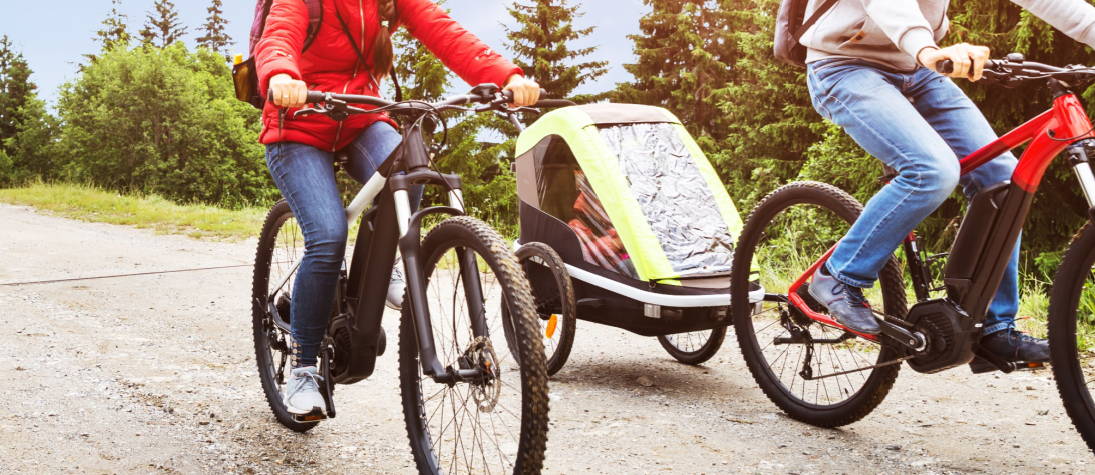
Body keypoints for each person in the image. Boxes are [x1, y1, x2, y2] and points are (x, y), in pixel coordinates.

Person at [255, 0, 540, 417]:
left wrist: (505, 76)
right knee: (328, 235)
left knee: (411, 169)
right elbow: (278, 36)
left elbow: (447, 32)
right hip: (296, 124)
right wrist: (281, 74)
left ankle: (384, 266)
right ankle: (302, 370)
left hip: (360, 119)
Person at [799, 0, 1095, 371]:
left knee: (1004, 180)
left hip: (919, 70)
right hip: (843, 66)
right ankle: (839, 276)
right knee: (931, 170)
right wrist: (927, 49)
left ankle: (995, 327)